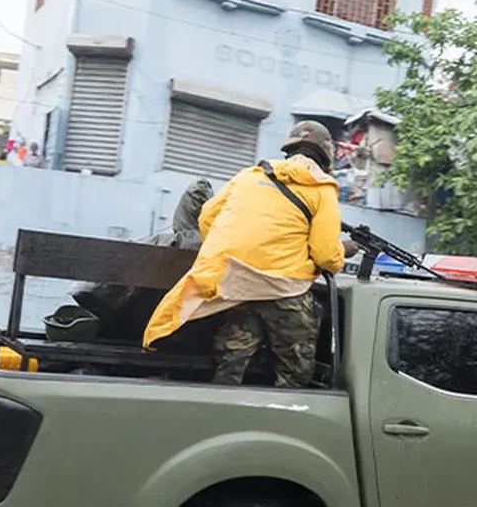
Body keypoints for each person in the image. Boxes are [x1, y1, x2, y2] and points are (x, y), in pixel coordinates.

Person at [143, 120, 360, 387]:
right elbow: (325, 255)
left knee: (231, 358)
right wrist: (343, 250)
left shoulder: (249, 175)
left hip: (236, 284)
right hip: (285, 290)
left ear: (289, 149)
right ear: (326, 156)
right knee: (296, 369)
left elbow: (208, 218)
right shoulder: (321, 188)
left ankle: (223, 399)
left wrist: (241, 250)